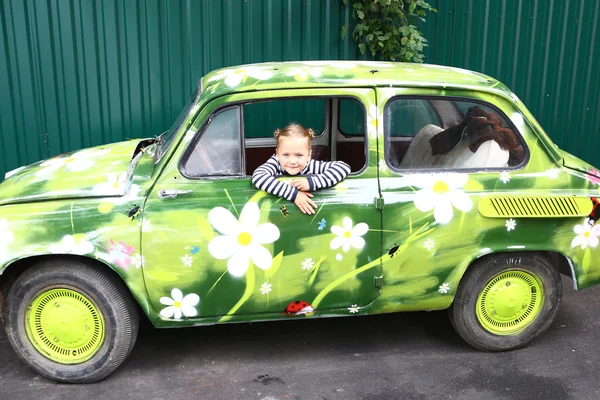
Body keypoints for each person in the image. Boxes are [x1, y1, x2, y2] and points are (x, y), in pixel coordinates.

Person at [251, 123, 351, 214]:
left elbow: (343, 167)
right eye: (286, 155)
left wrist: (312, 183)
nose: (293, 161)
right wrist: (294, 194)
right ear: (277, 153)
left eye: (299, 155)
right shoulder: (276, 163)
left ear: (309, 154)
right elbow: (258, 176)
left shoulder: (311, 165)